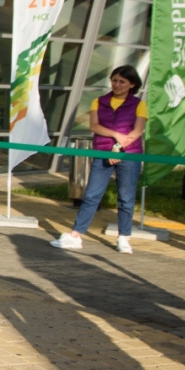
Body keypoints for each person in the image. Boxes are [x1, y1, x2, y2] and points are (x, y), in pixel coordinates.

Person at [51, 65, 147, 254]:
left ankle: (124, 237)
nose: (117, 84)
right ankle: (76, 235)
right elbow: (95, 126)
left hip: (129, 154)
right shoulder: (99, 101)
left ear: (132, 84)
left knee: (126, 198)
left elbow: (138, 130)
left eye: (122, 81)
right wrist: (115, 136)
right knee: (92, 195)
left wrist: (119, 147)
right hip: (102, 153)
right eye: (114, 80)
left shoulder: (138, 104)